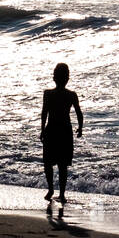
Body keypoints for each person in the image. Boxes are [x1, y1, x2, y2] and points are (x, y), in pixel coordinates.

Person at [40, 63, 83, 203]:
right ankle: (61, 193)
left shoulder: (48, 94)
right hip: (64, 130)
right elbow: (79, 113)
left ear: (54, 78)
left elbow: (44, 113)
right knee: (61, 164)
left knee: (49, 163)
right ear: (67, 79)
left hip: (52, 129)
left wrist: (42, 129)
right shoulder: (71, 95)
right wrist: (80, 127)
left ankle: (52, 189)